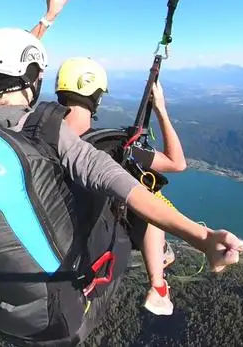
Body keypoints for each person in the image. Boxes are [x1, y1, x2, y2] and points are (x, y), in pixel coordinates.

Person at [0, 0, 243, 347]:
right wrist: (202, 238)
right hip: (65, 314)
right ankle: (158, 280)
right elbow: (120, 182)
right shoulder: (53, 132)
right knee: (139, 195)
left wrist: (47, 19)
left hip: (0, 312)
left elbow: (5, 67)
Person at [54, 57, 187, 316]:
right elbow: (177, 162)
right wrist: (160, 110)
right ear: (96, 97)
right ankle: (158, 286)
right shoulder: (115, 147)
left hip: (58, 244)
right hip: (99, 249)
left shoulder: (41, 140)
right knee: (148, 188)